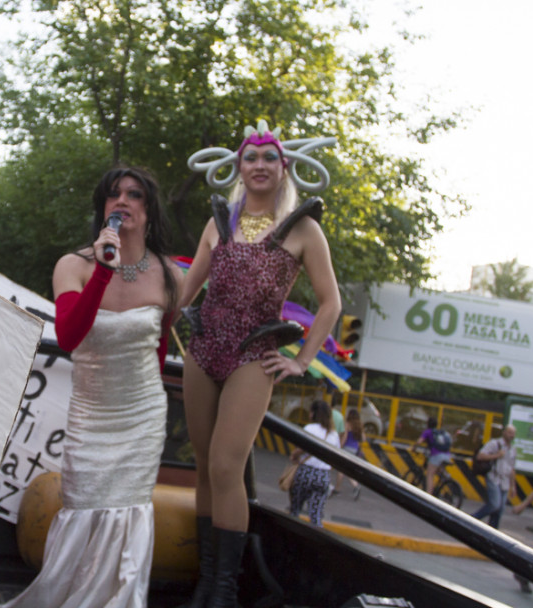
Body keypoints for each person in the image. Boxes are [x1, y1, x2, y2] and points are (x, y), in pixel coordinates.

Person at [0, 166, 183, 608]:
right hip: (92, 413)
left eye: (134, 194)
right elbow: (70, 336)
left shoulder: (168, 274)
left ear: (149, 210)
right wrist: (102, 270)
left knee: (131, 514)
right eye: (112, 194)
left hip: (141, 415)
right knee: (84, 507)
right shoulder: (73, 265)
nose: (122, 201)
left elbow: (157, 352)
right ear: (102, 209)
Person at [179, 121, 340, 607]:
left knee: (227, 467)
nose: (259, 166)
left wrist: (303, 359)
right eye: (251, 158)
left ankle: (225, 592)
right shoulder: (219, 222)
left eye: (269, 158)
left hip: (254, 355)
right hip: (203, 350)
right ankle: (206, 584)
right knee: (204, 469)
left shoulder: (304, 228)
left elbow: (330, 303)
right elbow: (186, 292)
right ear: (238, 167)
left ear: (284, 166)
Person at [288, 400, 341, 527]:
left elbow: (301, 447)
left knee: (295, 510)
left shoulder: (309, 429)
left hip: (305, 472)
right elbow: (336, 456)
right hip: (323, 476)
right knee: (316, 515)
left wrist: (294, 455)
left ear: (313, 414)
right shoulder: (333, 434)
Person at [472, 424, 517, 529]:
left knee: (500, 510)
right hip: (494, 477)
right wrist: (496, 455)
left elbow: (512, 469)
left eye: (513, 434)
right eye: (510, 433)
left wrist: (513, 486)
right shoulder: (495, 444)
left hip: (505, 481)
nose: (512, 436)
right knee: (494, 504)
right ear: (504, 432)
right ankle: (473, 518)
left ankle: (492, 531)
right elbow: (480, 456)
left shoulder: (512, 449)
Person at [410, 417, 452, 495]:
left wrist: (414, 448)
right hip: (447, 455)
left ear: (427, 424)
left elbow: (419, 441)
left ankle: (429, 495)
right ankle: (445, 478)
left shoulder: (428, 432)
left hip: (436, 455)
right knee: (437, 470)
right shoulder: (440, 432)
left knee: (430, 474)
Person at [335, 408, 363, 500]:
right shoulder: (359, 425)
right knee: (346, 469)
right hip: (355, 449)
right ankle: (355, 486)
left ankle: (337, 489)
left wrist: (340, 446)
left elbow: (345, 436)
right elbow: (363, 438)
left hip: (346, 448)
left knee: (341, 469)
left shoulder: (347, 424)